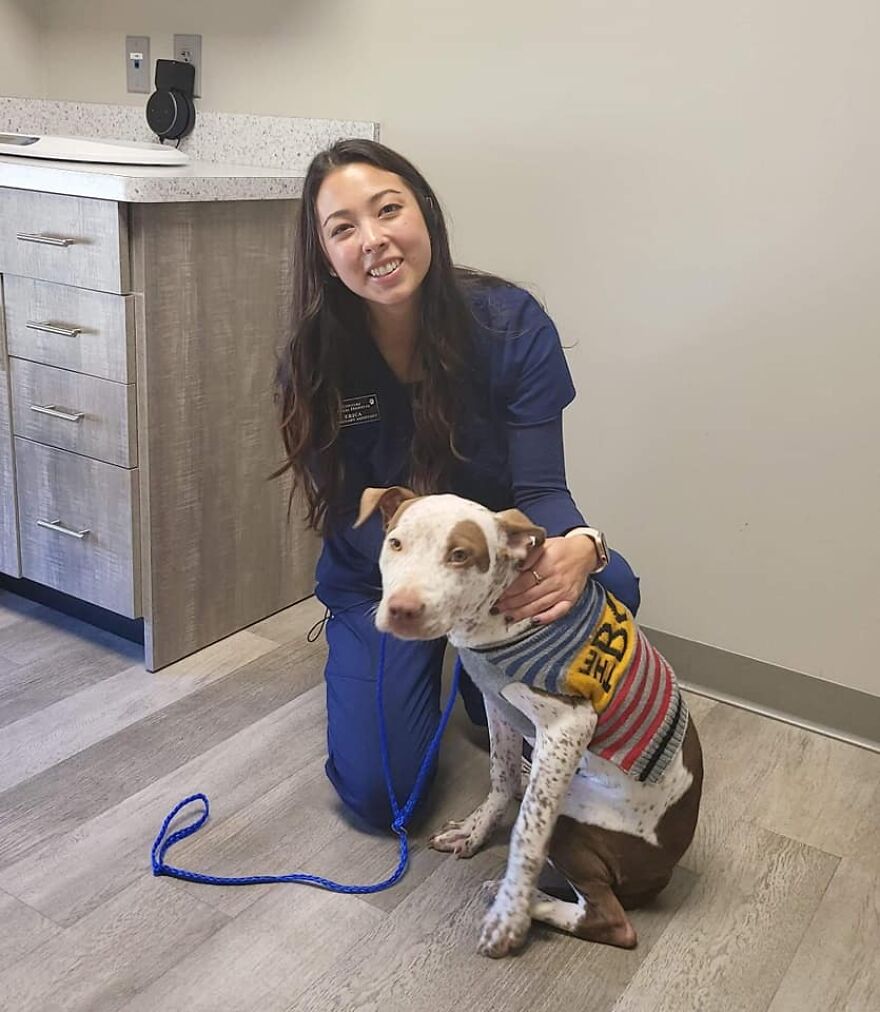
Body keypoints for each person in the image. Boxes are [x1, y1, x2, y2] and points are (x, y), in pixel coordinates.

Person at [275, 139, 640, 830]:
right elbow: (351, 529)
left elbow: (541, 490)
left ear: (427, 217)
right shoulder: (316, 362)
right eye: (343, 228)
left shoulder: (510, 325)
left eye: (388, 210)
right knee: (383, 800)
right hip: (382, 582)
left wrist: (580, 546)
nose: (374, 240)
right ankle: (400, 664)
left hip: (491, 573)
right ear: (324, 255)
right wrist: (420, 590)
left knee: (614, 588)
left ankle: (477, 673)